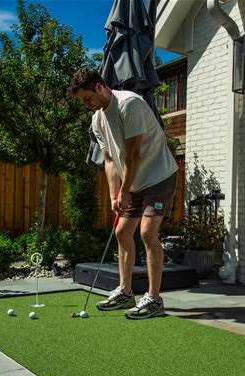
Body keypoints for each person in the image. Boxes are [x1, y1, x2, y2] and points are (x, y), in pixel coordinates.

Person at [69, 68, 178, 319]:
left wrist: (125, 190)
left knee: (147, 232)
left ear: (99, 87)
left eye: (87, 98)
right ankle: (125, 292)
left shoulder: (129, 104)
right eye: (82, 101)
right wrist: (114, 195)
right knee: (122, 232)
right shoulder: (97, 120)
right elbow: (109, 159)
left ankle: (154, 299)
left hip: (158, 175)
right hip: (134, 180)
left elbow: (133, 154)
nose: (86, 104)